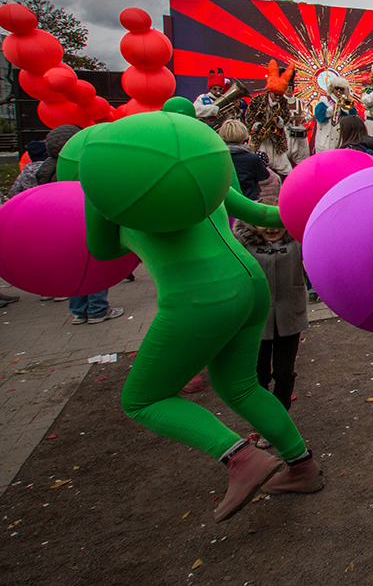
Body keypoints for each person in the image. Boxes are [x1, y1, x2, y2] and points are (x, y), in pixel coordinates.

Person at [82, 109, 323, 520]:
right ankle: (302, 466)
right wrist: (320, 214)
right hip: (249, 283)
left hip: (197, 299)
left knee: (142, 399)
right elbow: (264, 215)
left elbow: (103, 252)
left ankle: (240, 459)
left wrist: (105, 208)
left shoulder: (112, 190)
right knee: (241, 387)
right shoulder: (198, 171)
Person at [233, 178, 307, 437]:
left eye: (276, 221)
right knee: (259, 373)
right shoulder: (244, 245)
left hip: (290, 316)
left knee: (285, 373)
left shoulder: (297, 241)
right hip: (256, 321)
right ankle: (262, 419)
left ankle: (279, 420)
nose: (271, 229)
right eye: (263, 221)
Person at [36, 125, 124, 325]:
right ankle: (97, 309)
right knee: (95, 264)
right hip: (86, 222)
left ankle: (78, 311)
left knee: (76, 266)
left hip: (61, 225)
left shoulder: (43, 168)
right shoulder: (85, 163)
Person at [246, 60, 310, 178]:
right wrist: (258, 126)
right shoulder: (257, 101)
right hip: (261, 142)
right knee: (261, 170)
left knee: (288, 171)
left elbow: (285, 119)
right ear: (270, 90)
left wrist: (279, 120)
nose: (278, 97)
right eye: (275, 94)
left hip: (277, 142)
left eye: (280, 95)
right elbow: (249, 118)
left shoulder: (283, 102)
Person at [220, 120, 270, 201]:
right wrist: (251, 152)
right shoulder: (252, 158)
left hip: (226, 201)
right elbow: (264, 176)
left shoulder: (219, 157)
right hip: (249, 200)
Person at [313, 76, 358, 152]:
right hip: (326, 135)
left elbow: (353, 115)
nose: (339, 90)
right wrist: (332, 108)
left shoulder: (345, 101)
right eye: (337, 88)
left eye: (342, 89)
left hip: (340, 136)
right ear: (332, 88)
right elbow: (319, 116)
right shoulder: (324, 100)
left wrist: (344, 106)